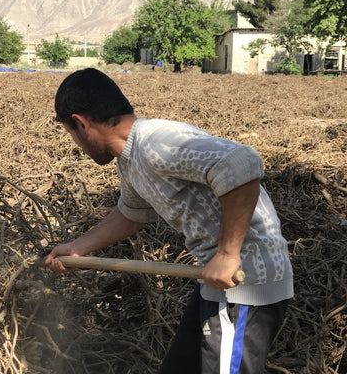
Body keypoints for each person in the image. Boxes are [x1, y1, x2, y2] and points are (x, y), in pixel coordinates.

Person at [46, 68, 294, 374]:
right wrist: (77, 248)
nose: (77, 144)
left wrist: (228, 255)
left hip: (245, 283)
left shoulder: (155, 142)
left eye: (70, 133)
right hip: (214, 282)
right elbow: (129, 214)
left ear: (81, 123)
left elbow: (242, 166)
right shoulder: (131, 159)